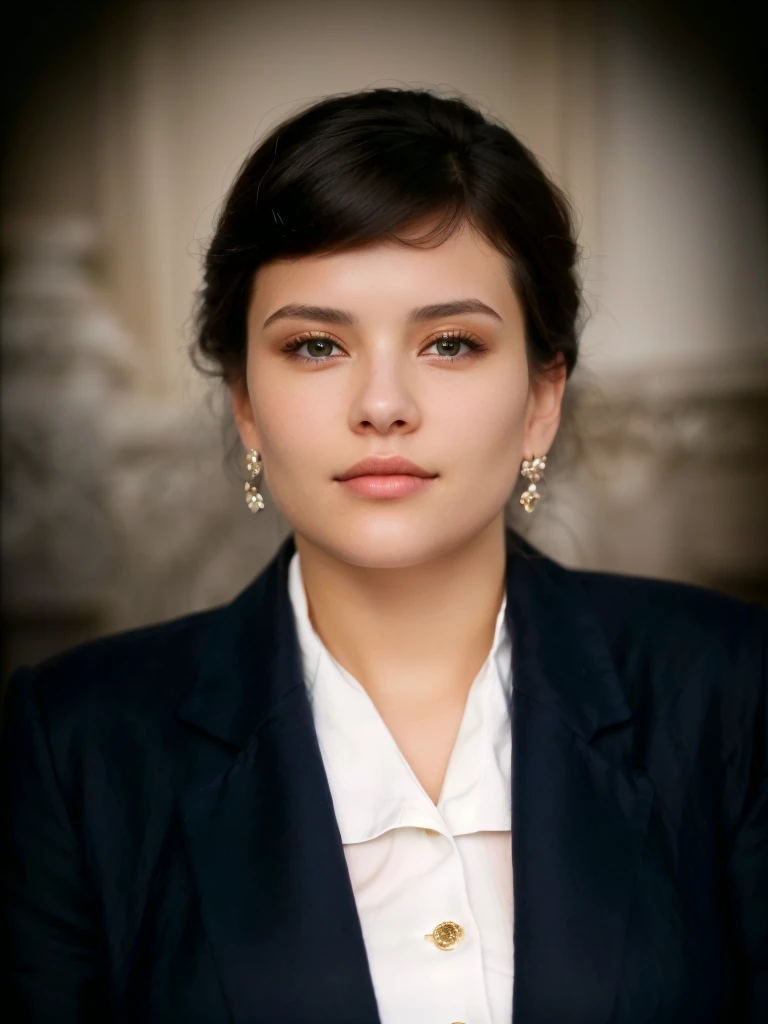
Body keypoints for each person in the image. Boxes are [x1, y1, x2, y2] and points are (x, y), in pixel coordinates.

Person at [1, 86, 766, 1024]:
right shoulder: (75, 743)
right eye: (317, 345)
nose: (382, 403)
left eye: (449, 343)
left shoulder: (734, 688)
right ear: (245, 402)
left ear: (541, 397)